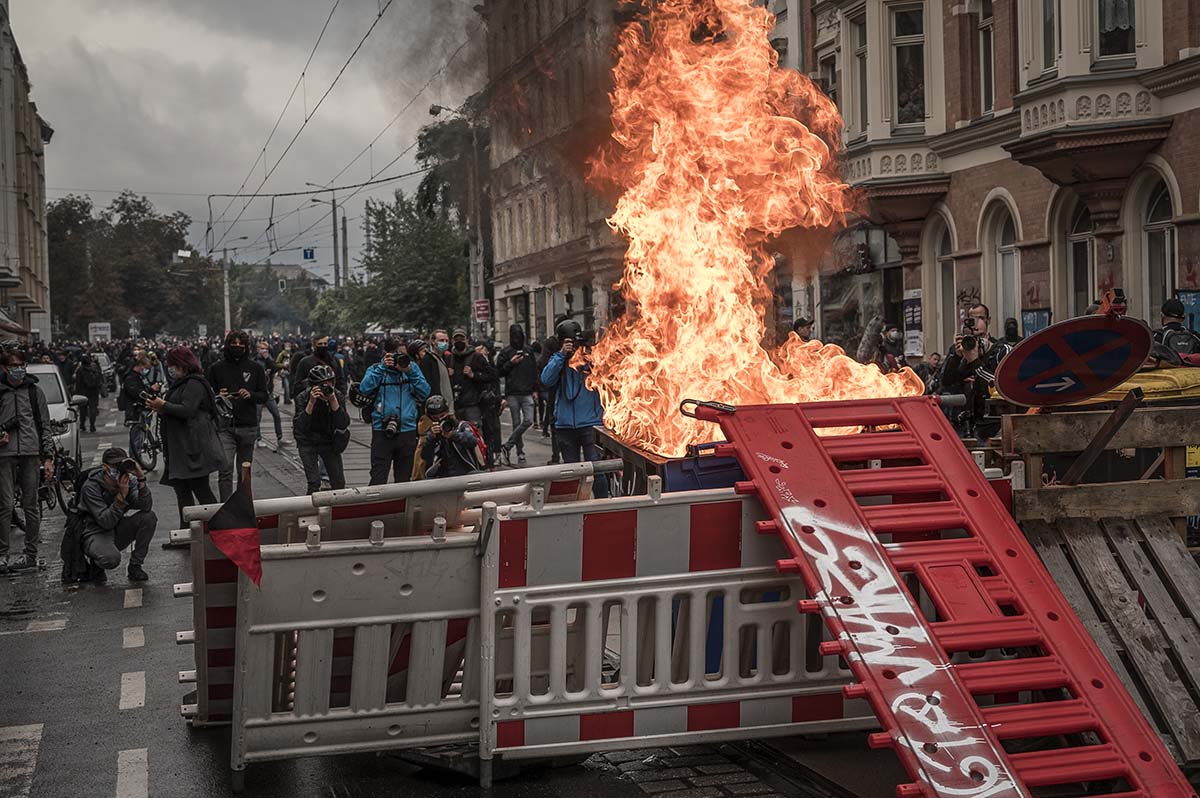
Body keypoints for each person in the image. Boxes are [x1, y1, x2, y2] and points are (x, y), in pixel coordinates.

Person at [146, 347, 223, 526]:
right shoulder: (181, 383)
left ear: (183, 364)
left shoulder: (194, 384)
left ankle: (218, 529)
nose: (170, 368)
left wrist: (163, 405)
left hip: (193, 449)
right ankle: (186, 531)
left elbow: (187, 410)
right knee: (182, 490)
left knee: (201, 490)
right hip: (181, 448)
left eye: (172, 364)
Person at [540, 319, 609, 498]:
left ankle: (604, 506)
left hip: (591, 424)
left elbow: (607, 375)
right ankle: (576, 506)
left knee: (597, 469)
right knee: (572, 472)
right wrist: (562, 355)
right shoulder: (558, 358)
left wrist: (588, 356)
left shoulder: (591, 357)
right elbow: (546, 380)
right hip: (565, 425)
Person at [0, 351, 53, 574]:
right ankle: (3, 555)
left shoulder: (34, 392)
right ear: (4, 368)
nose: (18, 369)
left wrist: (48, 457)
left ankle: (30, 554)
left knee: (31, 506)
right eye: (14, 366)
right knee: (5, 505)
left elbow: (44, 425)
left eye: (21, 365)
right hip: (4, 454)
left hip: (31, 454)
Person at [206, 330, 268, 501]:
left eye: (241, 345)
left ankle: (243, 503)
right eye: (234, 345)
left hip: (248, 426)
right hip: (225, 426)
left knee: (244, 470)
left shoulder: (255, 368)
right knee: (225, 468)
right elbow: (207, 396)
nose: (238, 348)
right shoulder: (216, 368)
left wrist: (251, 395)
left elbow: (264, 395)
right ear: (227, 346)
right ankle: (226, 505)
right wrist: (219, 395)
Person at [359, 337, 430, 485]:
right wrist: (382, 368)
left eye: (404, 355)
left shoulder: (412, 369)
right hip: (382, 429)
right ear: (387, 354)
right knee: (378, 477)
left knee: (404, 480)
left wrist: (410, 372)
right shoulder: (376, 369)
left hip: (407, 430)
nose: (401, 359)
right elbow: (364, 388)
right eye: (397, 355)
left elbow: (425, 392)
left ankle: (401, 507)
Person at [80, 448, 156, 582]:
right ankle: (96, 562)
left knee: (148, 517)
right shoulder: (91, 487)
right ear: (105, 467)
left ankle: (135, 566)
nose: (119, 470)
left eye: (121, 465)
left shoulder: (127, 481)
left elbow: (145, 506)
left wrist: (141, 479)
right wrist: (121, 497)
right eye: (115, 466)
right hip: (95, 532)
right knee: (111, 559)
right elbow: (105, 521)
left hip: (117, 528)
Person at [939, 303, 1012, 442]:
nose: (976, 323)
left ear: (988, 320)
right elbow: (946, 382)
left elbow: (1000, 386)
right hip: (965, 423)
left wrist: (974, 361)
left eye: (980, 318)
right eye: (972, 319)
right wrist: (956, 356)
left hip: (993, 425)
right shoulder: (962, 349)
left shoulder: (1001, 350)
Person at [293, 364, 350, 494]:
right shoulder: (303, 397)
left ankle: (337, 510)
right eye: (322, 385)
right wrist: (311, 403)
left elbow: (343, 424)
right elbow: (300, 427)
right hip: (307, 441)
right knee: (314, 483)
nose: (326, 388)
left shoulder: (337, 396)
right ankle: (311, 510)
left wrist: (333, 401)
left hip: (328, 441)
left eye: (329, 384)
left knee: (338, 482)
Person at [497, 324, 538, 465]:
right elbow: (499, 371)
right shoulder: (506, 352)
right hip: (513, 393)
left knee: (528, 420)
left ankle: (507, 446)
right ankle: (520, 452)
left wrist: (535, 389)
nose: (517, 338)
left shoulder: (529, 351)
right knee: (516, 423)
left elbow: (534, 371)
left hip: (526, 392)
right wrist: (511, 363)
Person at [420, 395, 484, 479]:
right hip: (443, 475)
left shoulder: (461, 426)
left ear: (447, 412)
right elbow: (424, 455)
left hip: (465, 473)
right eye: (435, 418)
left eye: (442, 416)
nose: (440, 419)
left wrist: (453, 435)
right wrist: (432, 438)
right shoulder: (433, 433)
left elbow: (473, 441)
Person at [444, 328, 495, 427]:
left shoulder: (476, 357)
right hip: (454, 406)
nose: (459, 342)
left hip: (472, 404)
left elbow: (492, 375)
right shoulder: (448, 359)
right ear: (452, 341)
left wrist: (474, 375)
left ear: (467, 340)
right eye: (456, 339)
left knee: (474, 434)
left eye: (462, 339)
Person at [122, 356, 156, 458]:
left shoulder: (139, 377)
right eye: (145, 367)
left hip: (144, 408)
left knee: (141, 436)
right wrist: (150, 391)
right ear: (139, 366)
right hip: (136, 410)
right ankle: (135, 459)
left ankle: (138, 458)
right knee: (136, 437)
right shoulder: (131, 378)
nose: (145, 370)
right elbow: (137, 392)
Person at [254, 341, 284, 451]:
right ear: (257, 349)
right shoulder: (255, 361)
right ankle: (258, 439)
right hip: (258, 394)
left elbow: (275, 369)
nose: (264, 351)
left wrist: (268, 359)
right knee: (257, 417)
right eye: (262, 348)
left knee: (276, 414)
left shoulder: (269, 359)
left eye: (266, 348)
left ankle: (279, 437)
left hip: (268, 393)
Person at [537, 336, 562, 464]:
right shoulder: (558, 356)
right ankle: (556, 455)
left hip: (552, 393)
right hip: (554, 392)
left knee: (553, 421)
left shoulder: (548, 358)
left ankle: (556, 456)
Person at [73, 354, 103, 432]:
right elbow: (100, 379)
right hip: (93, 392)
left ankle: (82, 424)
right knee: (93, 409)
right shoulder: (94, 369)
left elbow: (78, 383)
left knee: (83, 410)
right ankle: (92, 425)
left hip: (83, 393)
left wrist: (77, 393)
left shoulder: (80, 370)